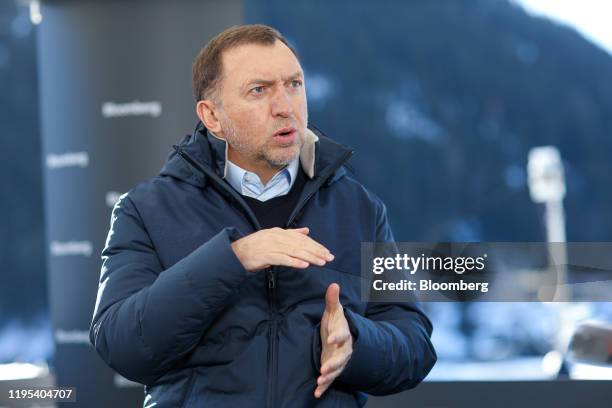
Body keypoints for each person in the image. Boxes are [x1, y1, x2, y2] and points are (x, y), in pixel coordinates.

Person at [89, 24, 436, 407]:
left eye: (294, 84)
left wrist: (357, 341)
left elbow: (415, 346)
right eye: (259, 90)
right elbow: (121, 345)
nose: (285, 106)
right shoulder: (145, 209)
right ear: (212, 116)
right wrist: (232, 259)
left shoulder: (360, 207)